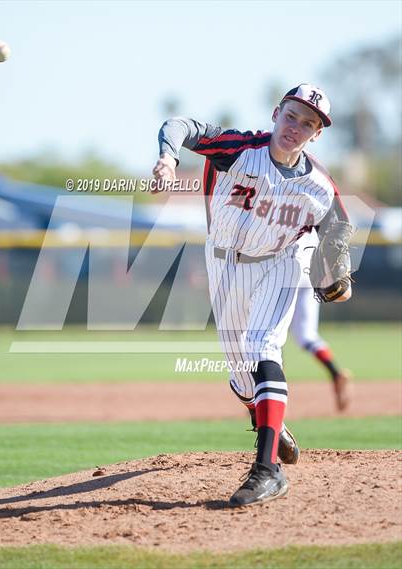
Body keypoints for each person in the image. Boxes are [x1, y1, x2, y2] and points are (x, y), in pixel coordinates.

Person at [153, 83, 352, 507]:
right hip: (224, 261)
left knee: (264, 348)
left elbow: (337, 225)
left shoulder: (318, 183)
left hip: (283, 260)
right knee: (243, 377)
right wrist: (168, 159)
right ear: (276, 112)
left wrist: (337, 272)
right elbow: (179, 125)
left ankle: (267, 470)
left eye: (309, 124)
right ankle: (270, 424)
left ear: (316, 134)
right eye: (292, 116)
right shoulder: (240, 149)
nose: (296, 127)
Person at [290, 231, 352, 411]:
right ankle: (335, 373)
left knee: (270, 335)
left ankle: (268, 389)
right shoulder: (316, 208)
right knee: (307, 335)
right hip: (310, 273)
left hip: (285, 271)